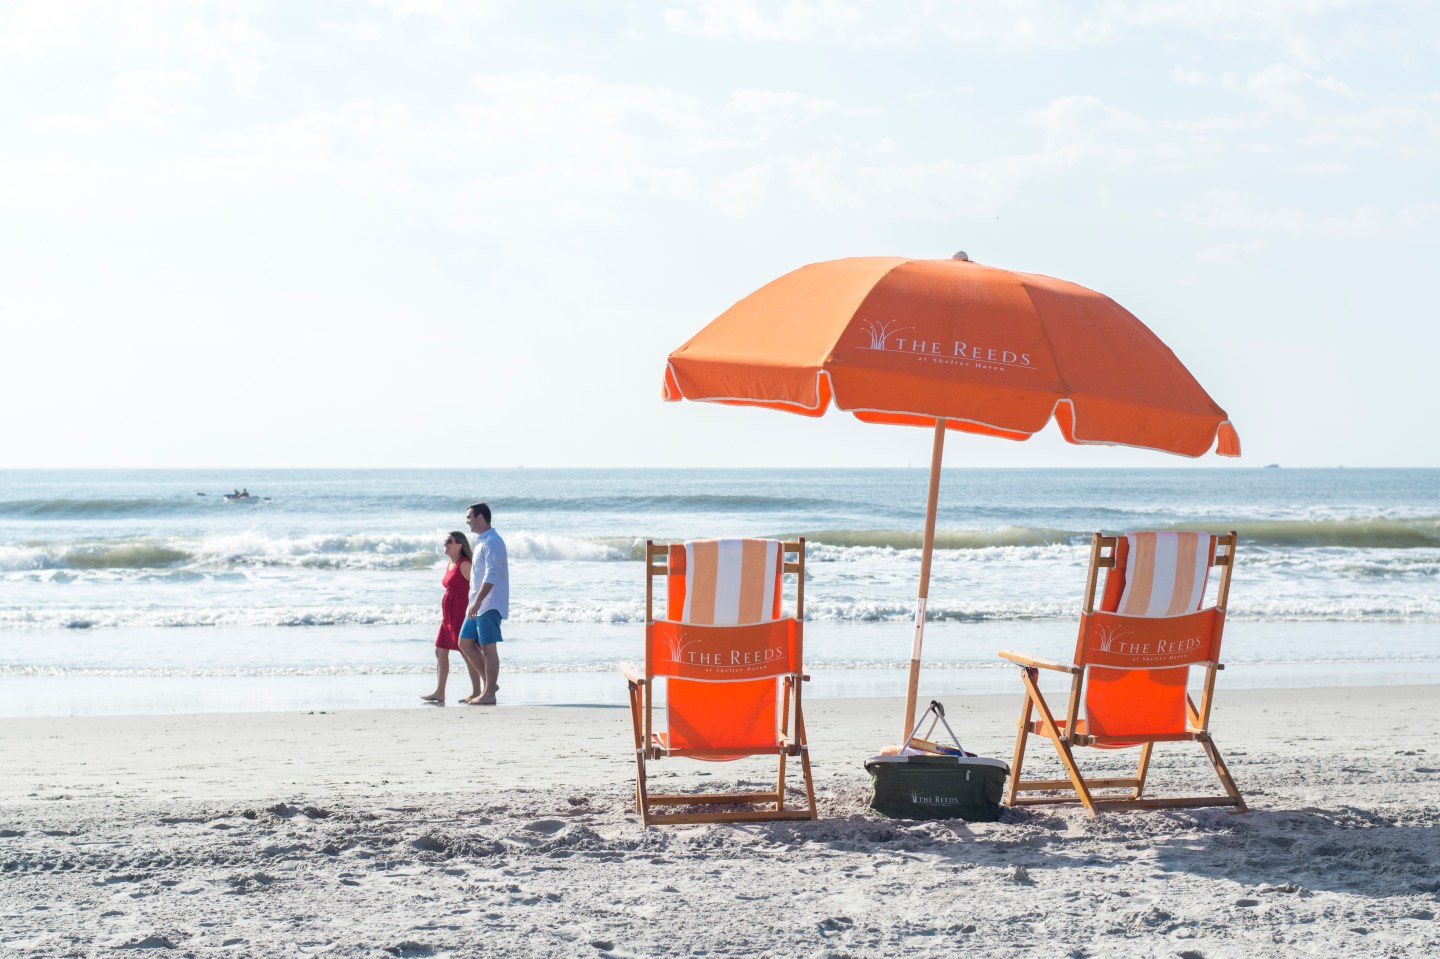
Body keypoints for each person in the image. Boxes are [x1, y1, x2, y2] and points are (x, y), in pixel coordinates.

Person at [457, 502, 508, 705]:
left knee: (488, 648)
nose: (467, 521)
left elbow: (492, 575)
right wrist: (474, 601)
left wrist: (478, 601)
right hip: (477, 603)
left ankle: (489, 694)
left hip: (489, 603)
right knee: (464, 642)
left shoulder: (493, 542)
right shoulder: (481, 541)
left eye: (469, 517)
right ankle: (490, 685)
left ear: (480, 518)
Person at [422, 532, 480, 704]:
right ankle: (439, 692)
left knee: (467, 652)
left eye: (449, 541)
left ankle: (477, 691)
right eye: (445, 541)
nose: (445, 544)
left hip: (460, 613)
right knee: (440, 650)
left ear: (459, 545)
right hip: (448, 615)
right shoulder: (450, 564)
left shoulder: (465, 564)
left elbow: (477, 587)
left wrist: (475, 608)